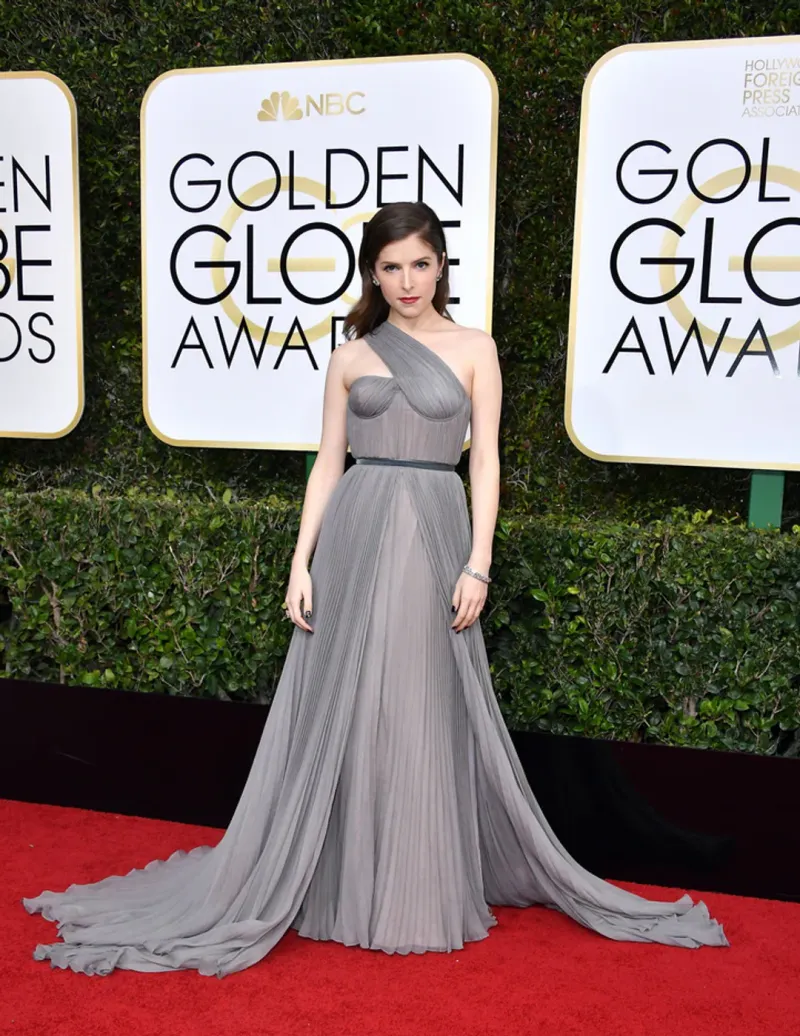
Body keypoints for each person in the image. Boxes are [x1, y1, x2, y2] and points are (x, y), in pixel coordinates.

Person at [22, 201, 729, 977]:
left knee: (420, 698)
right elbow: (329, 462)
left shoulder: (475, 348)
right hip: (356, 534)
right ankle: (340, 881)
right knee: (351, 702)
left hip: (435, 529)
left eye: (420, 263)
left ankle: (413, 888)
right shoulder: (350, 356)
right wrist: (301, 560)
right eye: (391, 266)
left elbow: (486, 461)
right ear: (373, 273)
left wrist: (479, 561)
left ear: (441, 265)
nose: (407, 280)